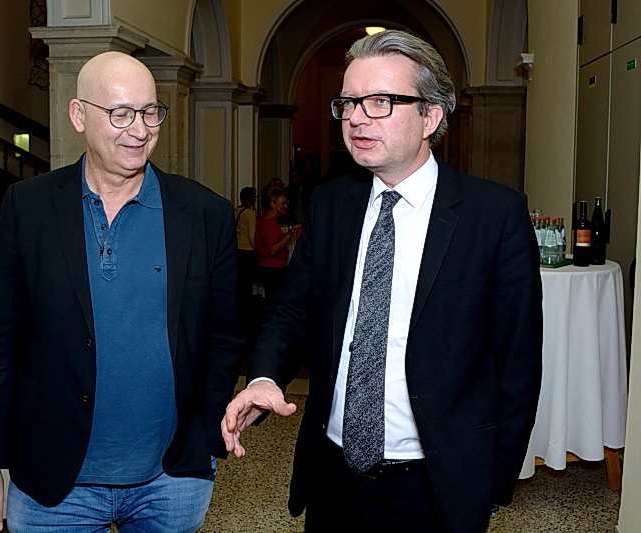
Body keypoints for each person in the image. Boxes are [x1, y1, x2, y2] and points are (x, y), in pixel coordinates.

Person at [222, 30, 542, 533]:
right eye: (348, 102)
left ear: (430, 117)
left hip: (436, 483)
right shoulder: (331, 204)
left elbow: (517, 361)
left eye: (380, 101)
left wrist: (494, 482)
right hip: (333, 474)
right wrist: (263, 377)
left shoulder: (494, 214)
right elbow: (291, 311)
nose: (356, 118)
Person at [0, 51, 241, 533]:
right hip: (54, 482)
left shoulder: (203, 213)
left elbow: (225, 337)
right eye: (120, 113)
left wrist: (206, 437)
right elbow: (1, 342)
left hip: (171, 480)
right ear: (79, 115)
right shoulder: (29, 207)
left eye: (150, 112)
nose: (140, 130)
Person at [254, 189, 300, 302]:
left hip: (272, 267)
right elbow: (273, 249)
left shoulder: (266, 220)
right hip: (273, 268)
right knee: (275, 300)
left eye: (286, 203)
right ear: (273, 204)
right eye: (282, 203)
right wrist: (289, 235)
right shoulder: (269, 222)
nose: (285, 206)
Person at [235, 186, 258, 334]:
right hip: (247, 251)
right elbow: (252, 235)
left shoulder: (236, 210)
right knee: (247, 282)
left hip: (237, 250)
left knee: (240, 283)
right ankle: (247, 313)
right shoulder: (249, 214)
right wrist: (257, 250)